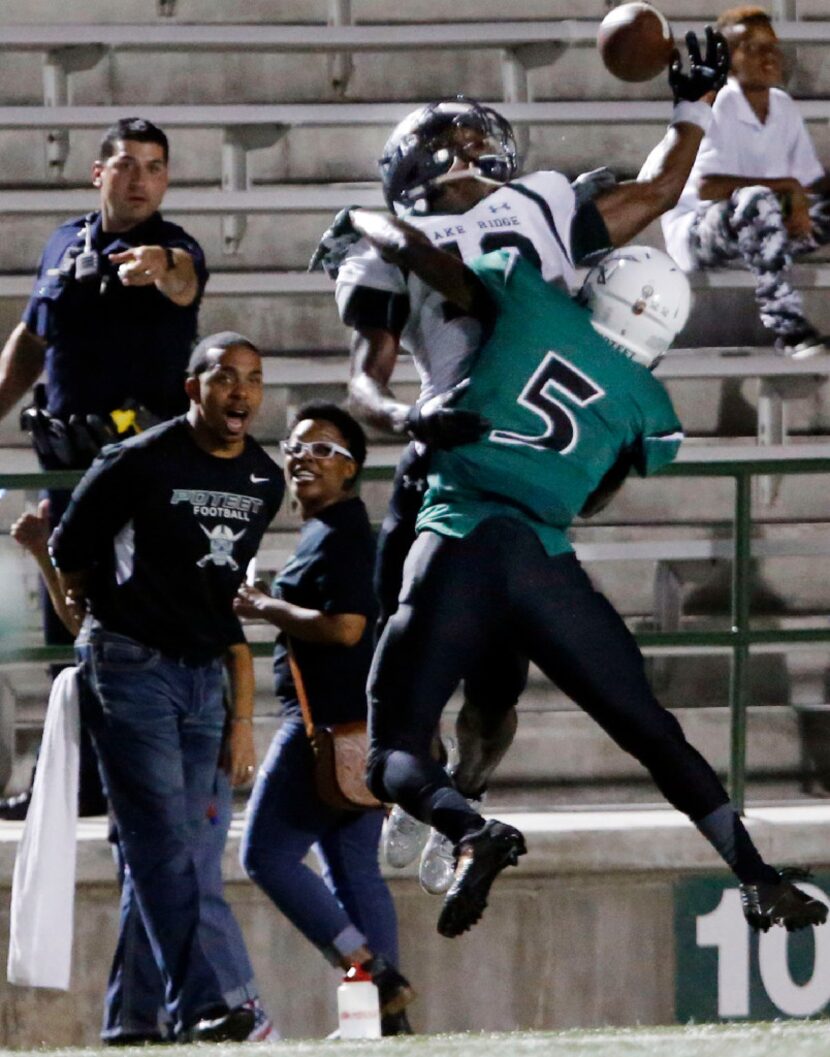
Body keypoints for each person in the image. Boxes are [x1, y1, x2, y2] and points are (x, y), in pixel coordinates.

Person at [311, 30, 729, 889]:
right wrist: (410, 416)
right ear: (411, 164)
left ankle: (466, 784)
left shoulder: (539, 201)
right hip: (446, 467)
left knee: (496, 691)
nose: (466, 153)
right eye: (448, 144)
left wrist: (691, 106)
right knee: (402, 655)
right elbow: (364, 382)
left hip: (532, 464)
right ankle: (416, 796)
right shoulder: (394, 238)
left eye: (475, 140)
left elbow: (656, 192)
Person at [349, 206, 829, 943]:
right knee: (653, 732)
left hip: (461, 533)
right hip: (545, 564)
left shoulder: (528, 292)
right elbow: (601, 488)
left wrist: (358, 214)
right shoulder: (651, 406)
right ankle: (758, 875)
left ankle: (471, 829)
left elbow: (416, 251)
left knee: (391, 753)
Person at [50, 332, 284, 1042]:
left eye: (253, 378)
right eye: (225, 377)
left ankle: (134, 1018)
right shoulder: (137, 459)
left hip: (204, 676)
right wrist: (108, 617)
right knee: (158, 844)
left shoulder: (265, 480)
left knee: (179, 849)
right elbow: (69, 546)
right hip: (130, 667)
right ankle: (202, 1002)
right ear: (194, 388)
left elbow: (221, 588)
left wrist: (238, 709)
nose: (240, 392)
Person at [0, 115, 208, 820]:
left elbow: (181, 282)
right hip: (68, 468)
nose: (141, 178)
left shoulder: (175, 246)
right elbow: (31, 338)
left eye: (154, 166)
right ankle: (72, 779)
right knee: (70, 632)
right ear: (99, 173)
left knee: (134, 628)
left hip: (140, 477)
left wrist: (159, 270)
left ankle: (148, 779)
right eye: (127, 165)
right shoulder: (64, 241)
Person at [236, 402, 414, 1036]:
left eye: (325, 450)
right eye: (297, 446)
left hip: (323, 727)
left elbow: (345, 627)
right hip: (356, 726)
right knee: (352, 869)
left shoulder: (344, 534)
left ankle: (372, 971)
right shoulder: (329, 530)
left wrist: (264, 605)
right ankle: (381, 1025)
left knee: (264, 855)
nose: (305, 457)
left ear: (352, 469)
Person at [661, 6, 830, 358]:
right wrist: (786, 187)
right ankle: (787, 325)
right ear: (728, 60)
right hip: (700, 233)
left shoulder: (782, 105)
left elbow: (811, 182)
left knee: (766, 202)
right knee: (758, 199)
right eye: (750, 48)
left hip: (763, 227)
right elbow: (707, 187)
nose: (767, 55)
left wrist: (799, 190)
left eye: (771, 46)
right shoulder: (718, 103)